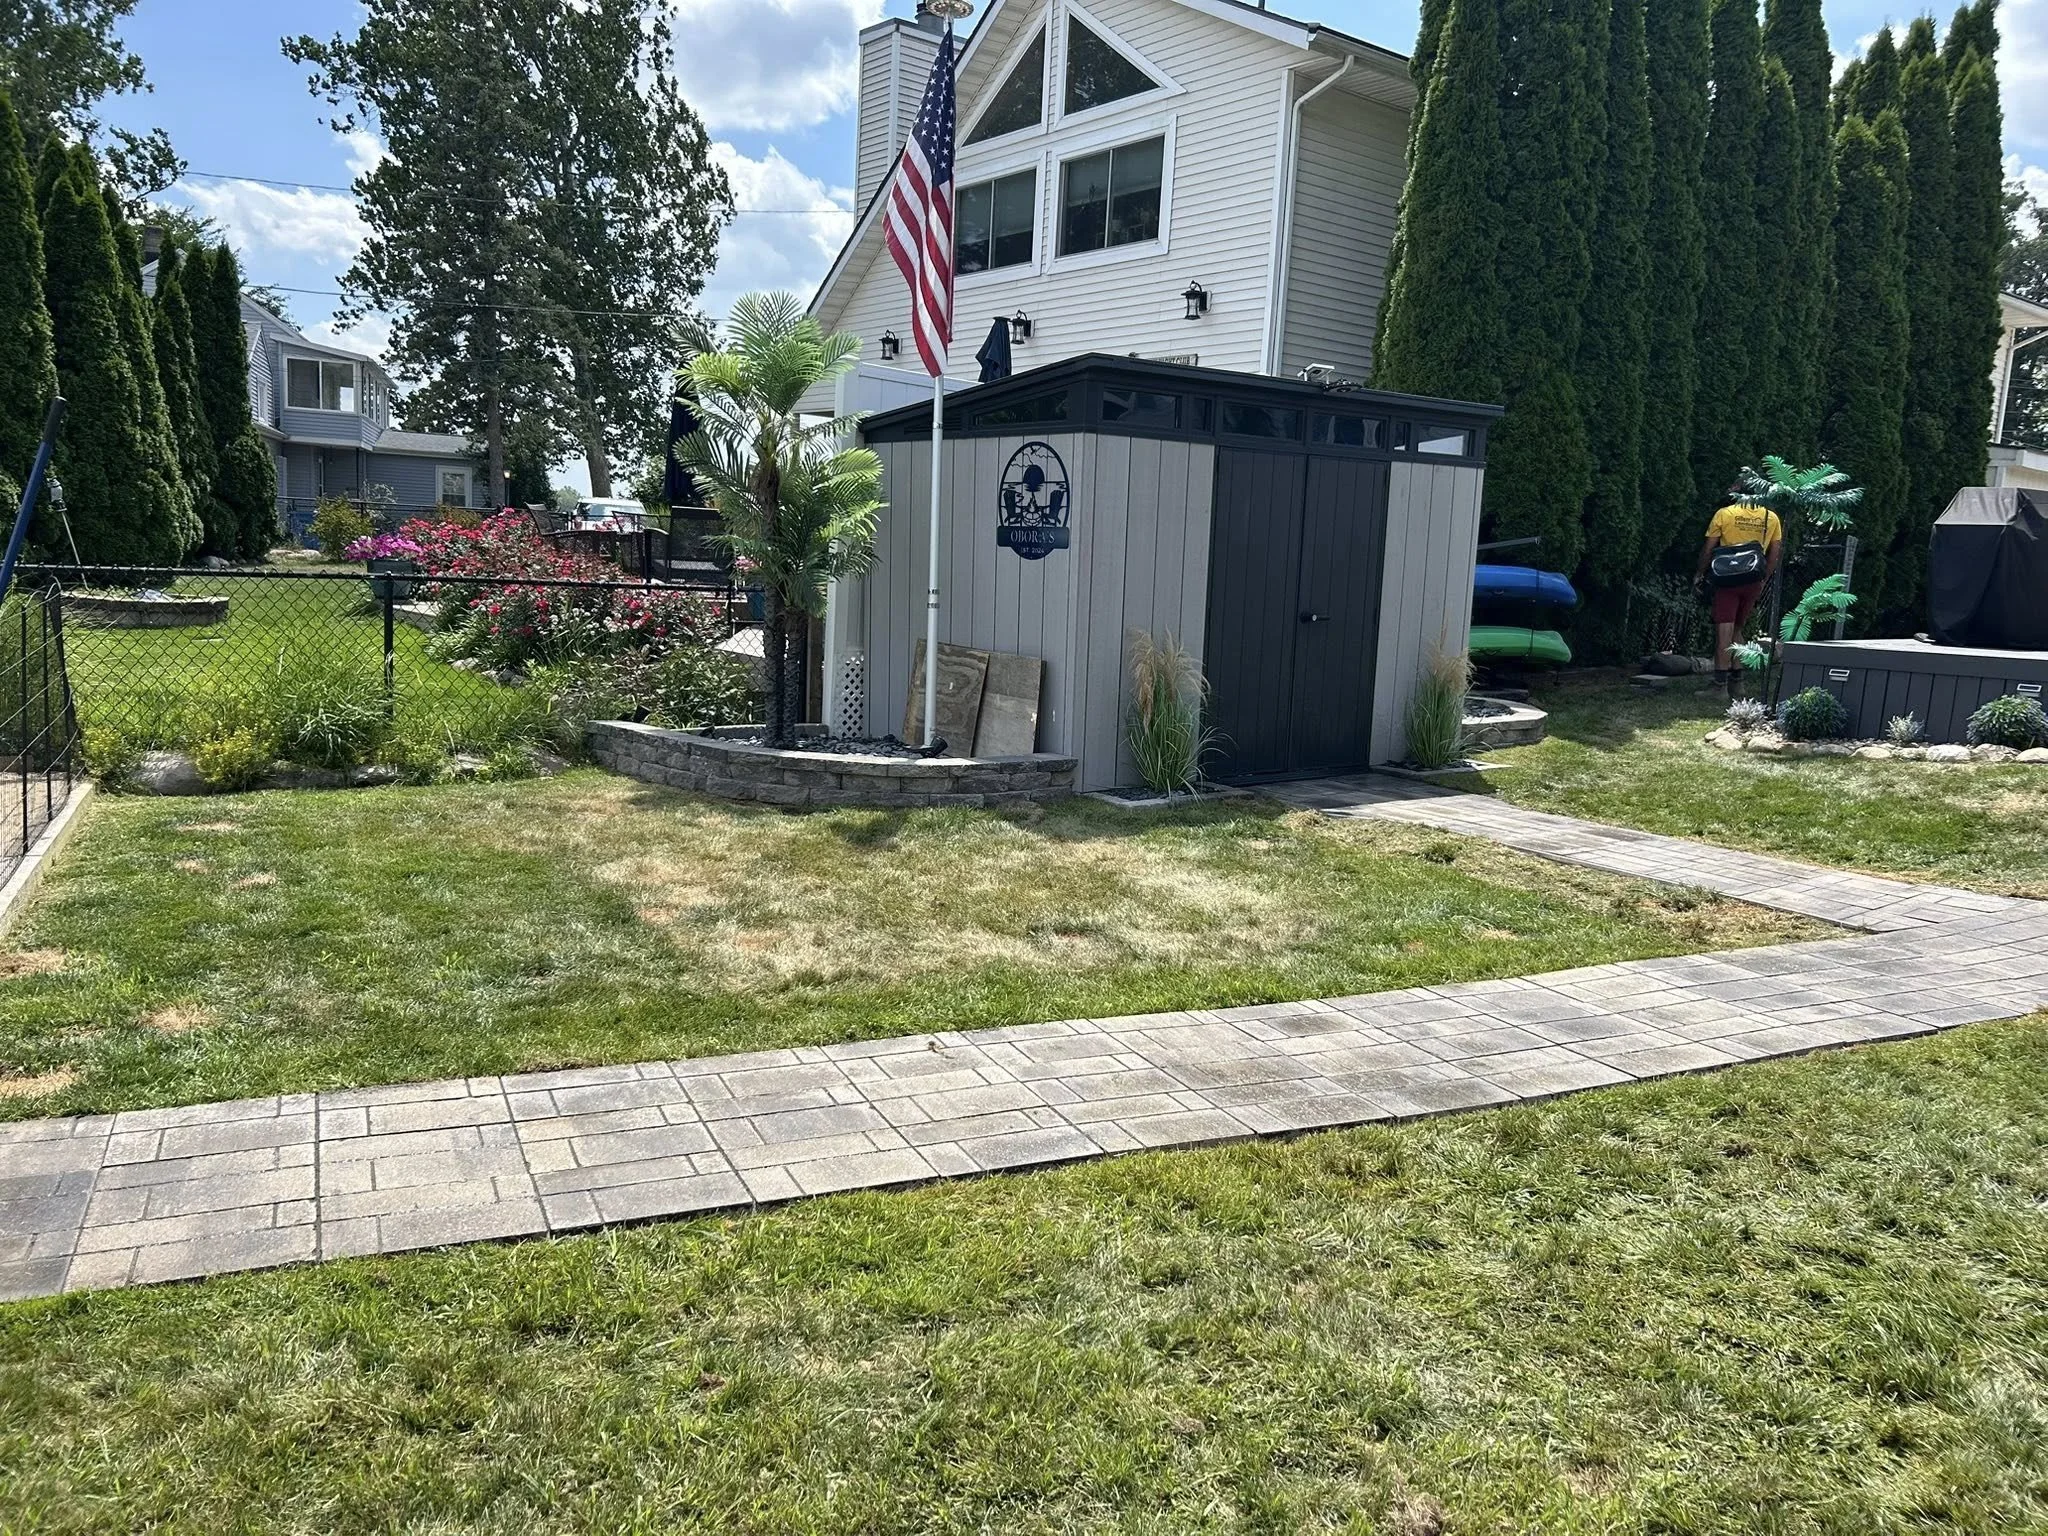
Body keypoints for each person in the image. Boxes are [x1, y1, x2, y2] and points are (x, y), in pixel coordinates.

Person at [1695, 488, 1783, 684]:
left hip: (1727, 580)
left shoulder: (1724, 514)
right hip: (1752, 580)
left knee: (1724, 633)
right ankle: (1738, 682)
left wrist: (1700, 573)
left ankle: (1719, 687)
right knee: (1737, 629)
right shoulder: (1771, 518)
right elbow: (1774, 555)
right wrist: (1763, 580)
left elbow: (1709, 548)